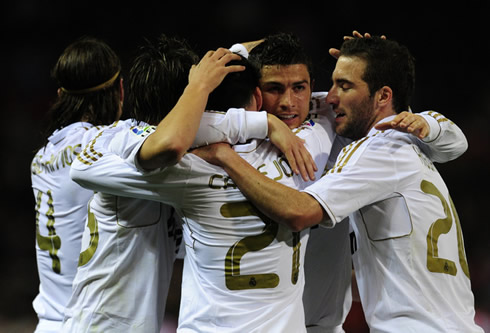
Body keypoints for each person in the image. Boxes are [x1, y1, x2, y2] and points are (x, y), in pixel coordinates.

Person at [193, 36, 483, 332]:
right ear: (256, 94)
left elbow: (300, 212)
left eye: (344, 85)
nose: (330, 98)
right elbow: (180, 124)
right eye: (274, 88)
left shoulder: (362, 143)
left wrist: (224, 156)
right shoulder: (396, 138)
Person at [62, 34, 295, 332]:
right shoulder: (129, 148)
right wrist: (265, 122)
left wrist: (272, 45)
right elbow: (171, 141)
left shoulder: (188, 153)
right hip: (97, 324)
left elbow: (227, 73)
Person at [30, 36, 123, 333]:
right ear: (120, 90)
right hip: (88, 324)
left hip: (47, 324)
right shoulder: (110, 146)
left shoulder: (41, 157)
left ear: (60, 94)